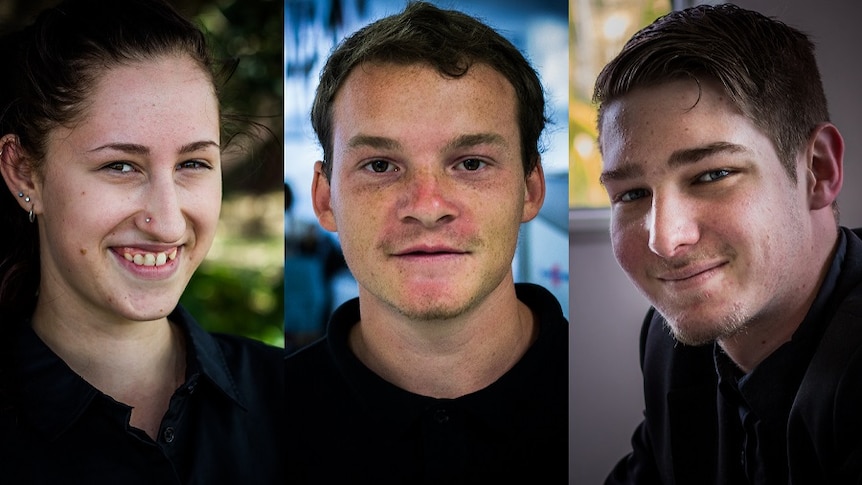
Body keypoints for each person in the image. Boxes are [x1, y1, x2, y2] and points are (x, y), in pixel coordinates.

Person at [285, 2, 568, 483]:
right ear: (325, 198)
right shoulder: (262, 419)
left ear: (531, 190)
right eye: (380, 166)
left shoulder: (614, 395)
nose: (428, 205)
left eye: (471, 163)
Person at [0, 0, 282, 482]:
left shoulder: (290, 394)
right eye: (120, 166)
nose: (169, 224)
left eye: (193, 164)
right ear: (24, 171)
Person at [594, 3, 862, 483]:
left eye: (712, 175)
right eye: (632, 194)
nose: (664, 239)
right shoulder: (667, 343)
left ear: (818, 170)